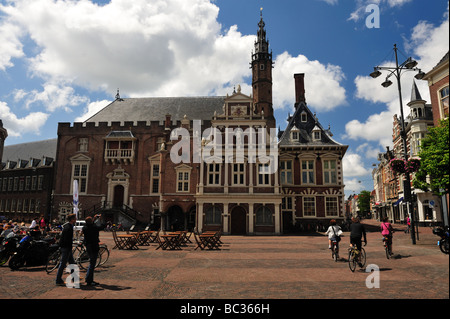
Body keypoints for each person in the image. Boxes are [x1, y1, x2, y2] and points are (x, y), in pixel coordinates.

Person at [56, 214, 77, 286]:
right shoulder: (69, 227)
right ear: (72, 219)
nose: (76, 219)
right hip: (66, 248)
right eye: (75, 218)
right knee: (63, 264)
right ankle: (58, 280)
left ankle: (74, 278)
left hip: (66, 247)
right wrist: (69, 247)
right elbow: (67, 239)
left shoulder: (67, 226)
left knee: (72, 263)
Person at [82, 214, 103, 286]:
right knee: (92, 264)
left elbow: (90, 225)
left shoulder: (84, 228)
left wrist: (93, 220)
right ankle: (89, 280)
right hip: (94, 246)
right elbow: (101, 227)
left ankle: (89, 279)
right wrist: (100, 219)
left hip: (88, 246)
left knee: (91, 262)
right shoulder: (94, 227)